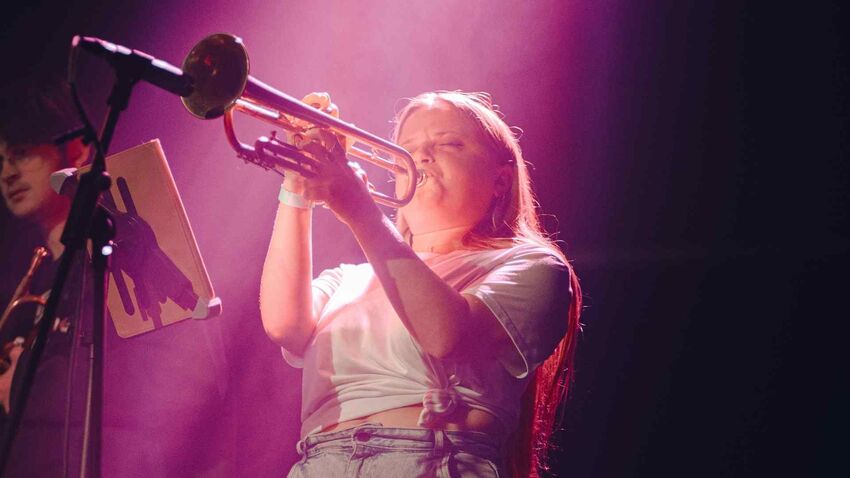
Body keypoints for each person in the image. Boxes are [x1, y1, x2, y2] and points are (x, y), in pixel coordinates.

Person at [260, 90, 582, 477]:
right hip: (318, 462)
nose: (422, 156)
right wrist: (298, 181)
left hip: (430, 460)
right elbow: (284, 326)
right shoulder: (351, 278)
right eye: (408, 148)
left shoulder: (531, 265)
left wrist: (359, 209)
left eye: (449, 143)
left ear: (501, 180)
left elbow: (443, 333)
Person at [0, 77, 93, 476]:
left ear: (77, 148)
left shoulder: (109, 264)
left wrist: (18, 382)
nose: (6, 174)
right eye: (0, 161)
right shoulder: (29, 277)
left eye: (20, 155)